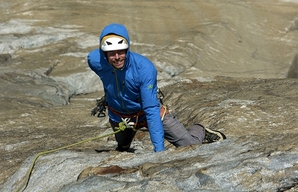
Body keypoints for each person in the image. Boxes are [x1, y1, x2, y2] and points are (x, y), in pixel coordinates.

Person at [88, 23, 226, 152]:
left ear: (127, 49)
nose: (117, 57)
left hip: (145, 112)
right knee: (123, 148)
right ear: (104, 54)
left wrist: (159, 152)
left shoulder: (144, 68)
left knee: (189, 146)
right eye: (112, 53)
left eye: (121, 52)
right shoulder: (96, 61)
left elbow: (151, 109)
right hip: (119, 115)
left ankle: (200, 130)